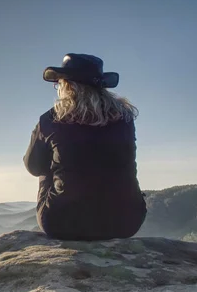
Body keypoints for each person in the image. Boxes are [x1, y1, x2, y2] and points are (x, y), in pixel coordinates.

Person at [24, 53, 147, 240]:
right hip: (126, 222)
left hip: (63, 224)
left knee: (46, 165)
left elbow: (33, 166)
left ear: (67, 86)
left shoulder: (51, 120)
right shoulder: (125, 118)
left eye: (59, 84)